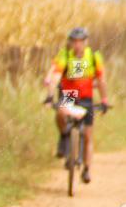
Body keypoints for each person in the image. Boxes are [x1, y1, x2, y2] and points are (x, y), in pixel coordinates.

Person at [44, 27, 108, 183]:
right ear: (70, 43)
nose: (77, 45)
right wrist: (50, 95)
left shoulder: (94, 57)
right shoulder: (65, 55)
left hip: (86, 96)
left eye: (80, 42)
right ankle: (64, 136)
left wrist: (104, 99)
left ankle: (86, 169)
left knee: (87, 135)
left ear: (86, 42)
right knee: (60, 113)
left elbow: (101, 80)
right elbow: (56, 76)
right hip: (69, 95)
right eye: (74, 41)